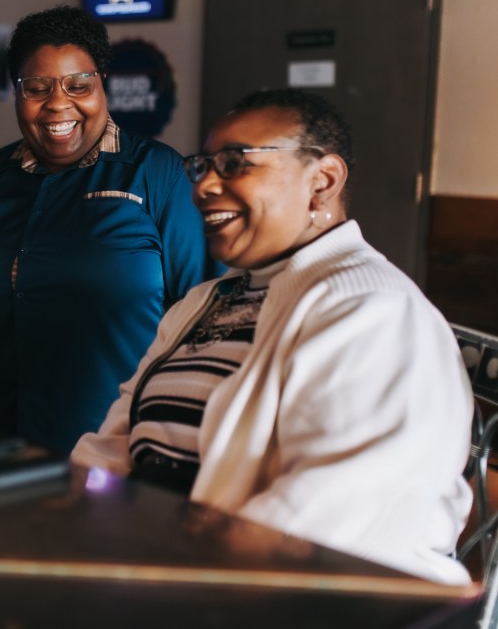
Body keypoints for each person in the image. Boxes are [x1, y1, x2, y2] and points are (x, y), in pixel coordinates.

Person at [72, 89, 473, 585]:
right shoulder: (204, 300)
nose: (202, 187)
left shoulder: (372, 308)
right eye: (203, 166)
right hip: (154, 564)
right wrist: (75, 521)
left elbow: (320, 521)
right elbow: (114, 442)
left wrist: (162, 569)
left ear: (322, 182)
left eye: (236, 163)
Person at [0, 5, 215, 454]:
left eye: (78, 85)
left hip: (113, 450)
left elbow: (201, 314)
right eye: (38, 87)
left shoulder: (157, 173)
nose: (59, 103)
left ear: (102, 83)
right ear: (16, 92)